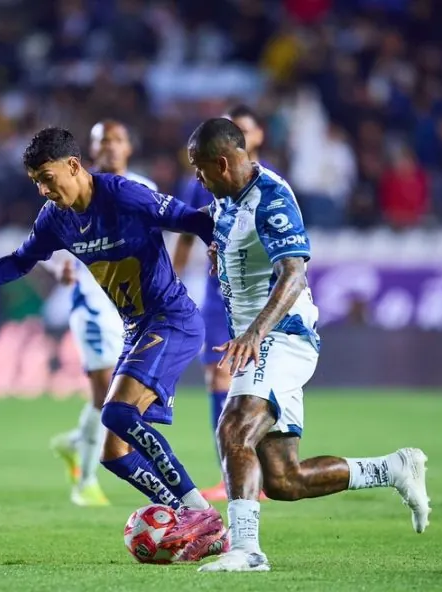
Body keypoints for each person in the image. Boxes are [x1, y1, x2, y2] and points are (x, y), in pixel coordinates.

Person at [0, 127, 225, 560]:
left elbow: (192, 219)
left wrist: (217, 246)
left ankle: (199, 513)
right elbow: (21, 260)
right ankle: (193, 520)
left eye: (47, 178)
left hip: (172, 320)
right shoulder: (56, 218)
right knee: (113, 453)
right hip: (137, 329)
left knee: (117, 412)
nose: (43, 189)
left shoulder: (123, 195)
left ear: (73, 165)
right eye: (36, 181)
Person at [185, 119, 431, 573]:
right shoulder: (226, 200)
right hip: (261, 341)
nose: (196, 177)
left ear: (221, 163)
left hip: (280, 335)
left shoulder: (272, 198)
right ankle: (394, 468)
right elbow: (232, 241)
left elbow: (294, 274)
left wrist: (255, 332)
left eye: (199, 167)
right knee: (284, 479)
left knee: (234, 428)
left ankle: (246, 550)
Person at [48, 120, 158, 507]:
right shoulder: (75, 190)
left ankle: (77, 441)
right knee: (105, 392)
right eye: (102, 140)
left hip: (132, 310)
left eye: (117, 139)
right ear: (91, 151)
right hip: (93, 306)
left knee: (122, 397)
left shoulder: (144, 188)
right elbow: (45, 245)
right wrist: (58, 268)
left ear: (129, 147)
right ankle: (86, 483)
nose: (110, 146)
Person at [171, 105, 269, 501]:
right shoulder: (201, 180)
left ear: (256, 136)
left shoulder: (270, 184)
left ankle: (262, 470)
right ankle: (230, 473)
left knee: (260, 382)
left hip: (257, 297)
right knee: (218, 377)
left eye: (243, 129)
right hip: (217, 296)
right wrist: (173, 283)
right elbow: (185, 233)